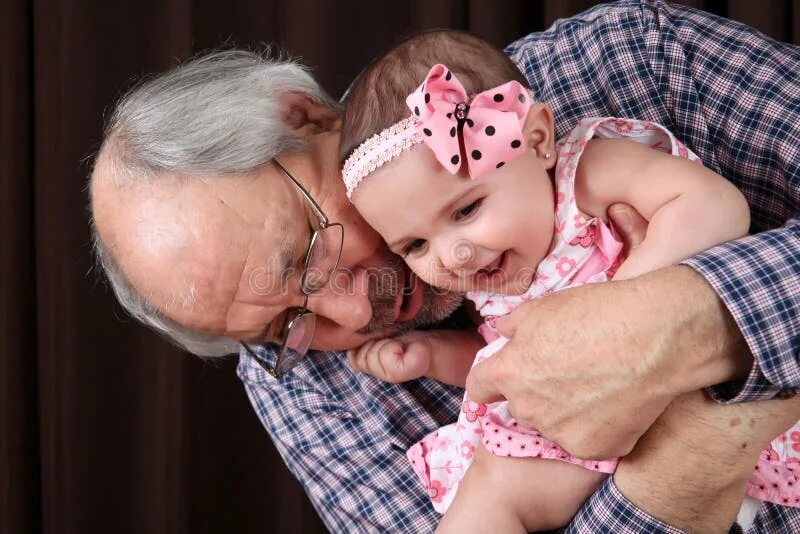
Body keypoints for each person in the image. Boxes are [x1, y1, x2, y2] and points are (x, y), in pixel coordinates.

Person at [88, 1, 800, 531]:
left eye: (308, 254)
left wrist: (693, 317)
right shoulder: (303, 390)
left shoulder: (620, 65)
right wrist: (684, 459)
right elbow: (499, 374)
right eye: (287, 326)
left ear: (306, 116)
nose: (354, 314)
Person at [338, 29, 796, 531]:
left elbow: (714, 206)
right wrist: (433, 356)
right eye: (415, 246)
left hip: (699, 381)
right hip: (593, 439)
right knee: (488, 494)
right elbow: (515, 366)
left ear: (537, 142)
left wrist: (621, 307)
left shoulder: (587, 175)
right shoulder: (490, 275)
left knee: (496, 482)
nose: (454, 255)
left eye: (466, 209)